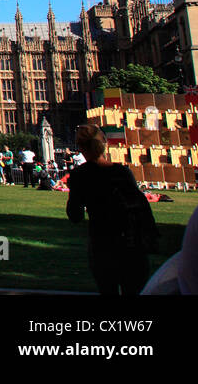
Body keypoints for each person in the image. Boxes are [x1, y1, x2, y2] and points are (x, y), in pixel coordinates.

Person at [66, 124, 159, 295]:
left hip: (102, 244)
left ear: (80, 148)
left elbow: (75, 215)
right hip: (130, 243)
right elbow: (141, 206)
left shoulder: (80, 175)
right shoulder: (122, 172)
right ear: (104, 144)